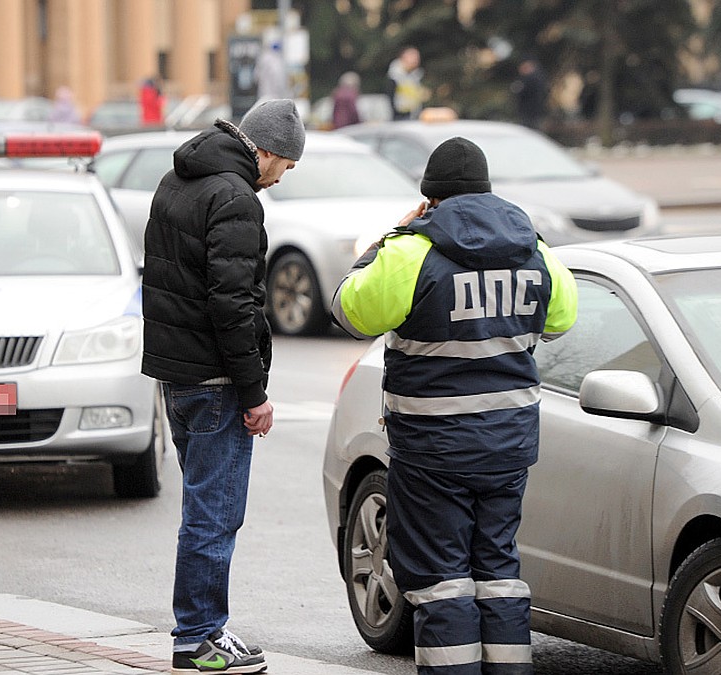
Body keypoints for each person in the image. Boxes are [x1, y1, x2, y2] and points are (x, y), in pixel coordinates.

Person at [330, 137, 577, 675]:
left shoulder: (410, 251)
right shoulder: (532, 248)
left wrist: (388, 238)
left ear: (431, 200)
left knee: (441, 583)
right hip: (508, 447)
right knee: (498, 572)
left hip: (432, 450)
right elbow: (562, 318)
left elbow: (349, 311)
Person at [141, 99, 305, 675]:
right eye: (282, 164)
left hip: (177, 377)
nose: (279, 177)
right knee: (214, 515)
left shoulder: (175, 180)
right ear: (261, 149)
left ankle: (205, 630)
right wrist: (254, 392)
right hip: (215, 384)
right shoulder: (235, 198)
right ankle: (199, 638)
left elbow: (165, 284)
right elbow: (233, 304)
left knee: (202, 510)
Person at [386, 46, 427, 120]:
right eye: (413, 57)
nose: (416, 60)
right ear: (403, 57)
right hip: (399, 118)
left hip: (414, 115)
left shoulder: (416, 76)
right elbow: (390, 100)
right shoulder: (394, 76)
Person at [511, 59, 548, 130]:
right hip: (534, 111)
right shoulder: (539, 78)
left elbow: (518, 90)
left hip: (529, 112)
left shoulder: (530, 79)